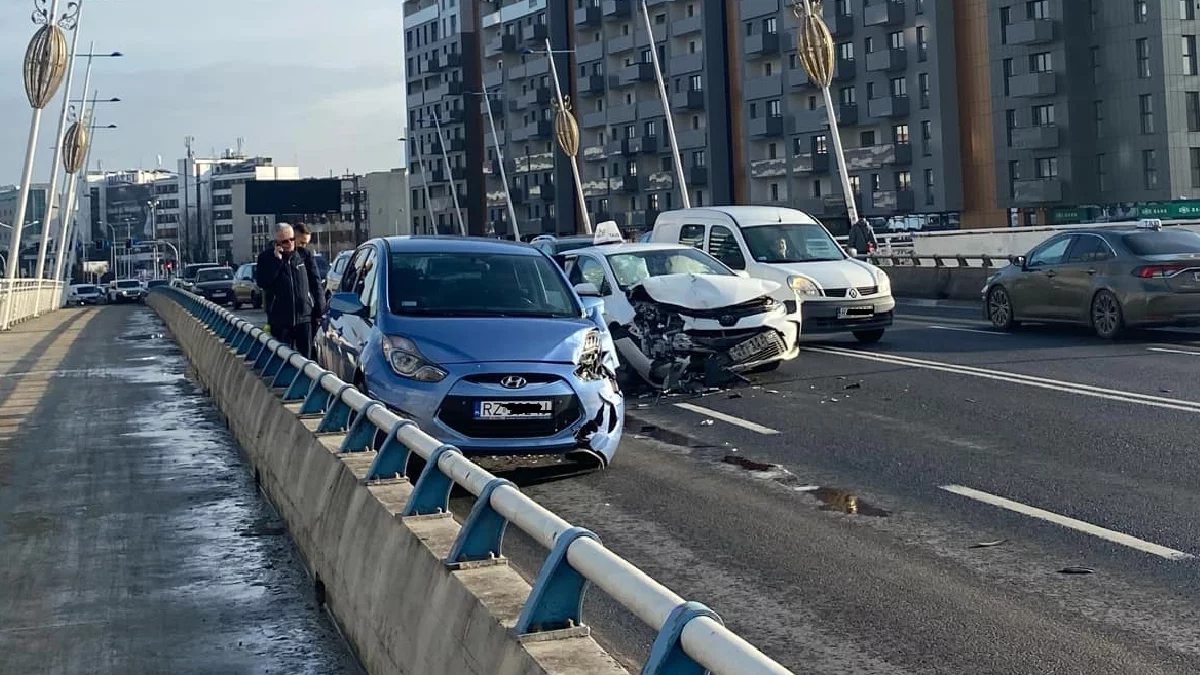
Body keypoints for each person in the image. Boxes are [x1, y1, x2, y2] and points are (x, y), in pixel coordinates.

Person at [256, 223, 325, 358]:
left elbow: (315, 283)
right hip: (280, 320)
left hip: (304, 318)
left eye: (292, 239)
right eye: (285, 241)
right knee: (282, 359)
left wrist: (319, 309)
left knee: (307, 359)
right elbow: (263, 283)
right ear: (276, 243)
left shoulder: (304, 255)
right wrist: (277, 262)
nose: (290, 244)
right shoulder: (265, 258)